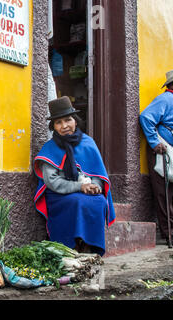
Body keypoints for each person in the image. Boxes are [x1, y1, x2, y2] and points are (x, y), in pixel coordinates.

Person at [33, 96, 116, 256]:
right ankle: (71, 248)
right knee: (76, 201)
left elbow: (97, 173)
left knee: (98, 201)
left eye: (68, 120)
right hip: (59, 195)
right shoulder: (49, 149)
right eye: (58, 122)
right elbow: (52, 182)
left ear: (75, 121)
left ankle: (89, 247)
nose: (64, 126)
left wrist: (95, 187)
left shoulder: (88, 143)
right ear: (54, 127)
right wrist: (80, 186)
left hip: (86, 191)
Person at [139, 70, 173, 244]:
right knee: (163, 193)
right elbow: (145, 117)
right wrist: (154, 142)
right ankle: (169, 233)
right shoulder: (166, 99)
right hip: (163, 151)